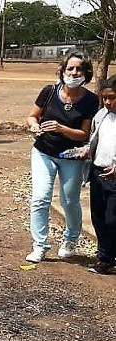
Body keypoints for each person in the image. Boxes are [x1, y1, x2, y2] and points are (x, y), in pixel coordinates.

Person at [24, 52, 99, 263]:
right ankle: (40, 245)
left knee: (69, 200)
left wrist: (61, 128)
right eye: (70, 68)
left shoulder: (91, 100)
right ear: (63, 71)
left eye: (79, 69)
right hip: (43, 151)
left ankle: (70, 239)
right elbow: (32, 115)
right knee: (40, 198)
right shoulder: (49, 91)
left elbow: (84, 134)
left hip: (72, 156)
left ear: (86, 73)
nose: (74, 73)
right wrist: (34, 126)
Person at [86, 75, 116, 274]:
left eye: (112, 97)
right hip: (98, 172)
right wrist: (85, 151)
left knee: (112, 218)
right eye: (104, 97)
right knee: (98, 216)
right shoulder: (101, 115)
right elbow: (94, 141)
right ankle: (104, 258)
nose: (107, 102)